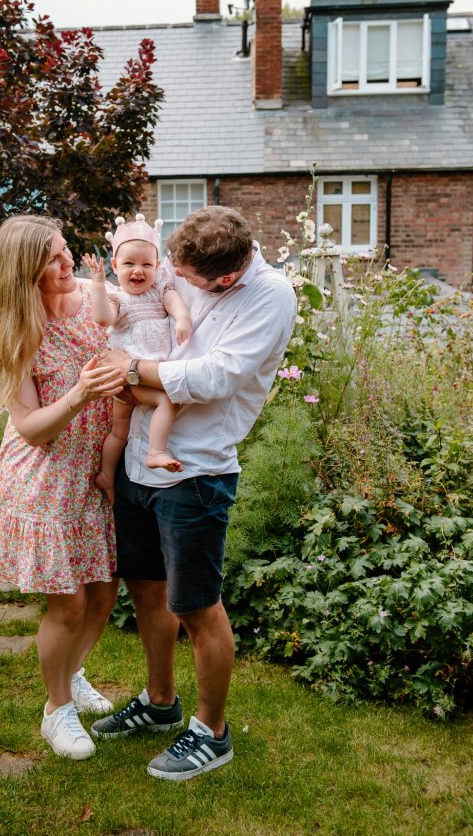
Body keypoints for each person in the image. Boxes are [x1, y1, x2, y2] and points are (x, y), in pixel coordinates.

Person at [91, 206, 297, 780]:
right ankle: (161, 703)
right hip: (138, 457)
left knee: (196, 605)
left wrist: (131, 368)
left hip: (195, 471)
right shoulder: (181, 268)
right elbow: (126, 298)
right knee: (147, 589)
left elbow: (214, 377)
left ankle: (212, 731)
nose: (172, 279)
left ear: (224, 278)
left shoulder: (270, 297)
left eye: (183, 276)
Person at [0, 215, 125, 761]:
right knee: (68, 603)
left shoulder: (91, 298)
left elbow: (148, 305)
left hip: (93, 469)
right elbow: (31, 429)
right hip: (45, 477)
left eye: (66, 251)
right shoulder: (15, 331)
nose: (68, 264)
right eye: (53, 260)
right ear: (25, 273)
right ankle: (56, 709)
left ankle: (73, 672)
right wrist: (80, 394)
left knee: (104, 591)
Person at [81, 214, 192, 500]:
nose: (137, 270)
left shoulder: (159, 291)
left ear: (157, 266)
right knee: (168, 400)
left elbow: (175, 303)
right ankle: (156, 451)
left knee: (119, 432)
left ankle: (107, 474)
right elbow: (102, 318)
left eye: (146, 264)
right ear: (115, 265)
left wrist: (182, 319)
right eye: (129, 264)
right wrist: (98, 282)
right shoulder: (119, 299)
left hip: (142, 373)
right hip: (131, 376)